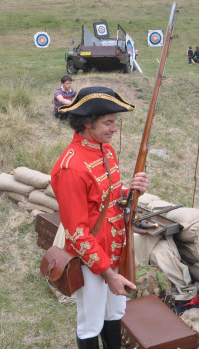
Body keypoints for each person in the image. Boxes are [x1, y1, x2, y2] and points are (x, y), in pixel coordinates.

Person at [51, 86, 149, 349]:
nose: (114, 128)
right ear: (87, 123)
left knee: (115, 314)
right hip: (91, 259)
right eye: (108, 123)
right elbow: (77, 233)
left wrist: (133, 191)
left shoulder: (106, 150)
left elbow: (111, 197)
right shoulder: (70, 168)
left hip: (117, 250)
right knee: (90, 323)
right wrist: (108, 274)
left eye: (114, 122)